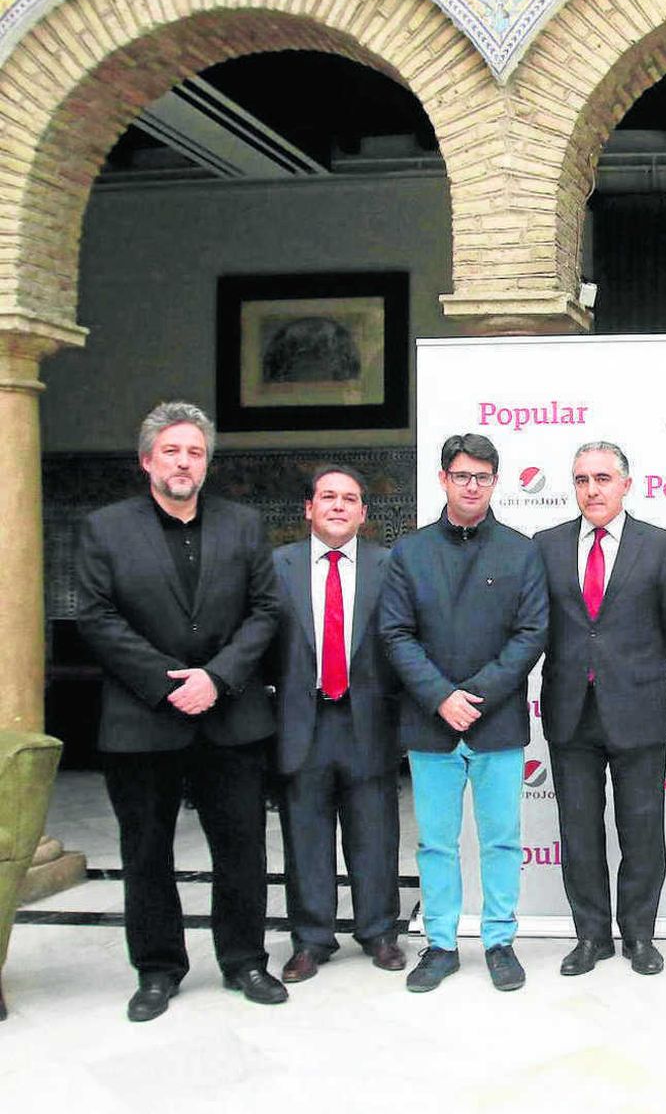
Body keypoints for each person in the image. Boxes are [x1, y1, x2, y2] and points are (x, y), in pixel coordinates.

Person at [75, 401, 285, 1021]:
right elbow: (96, 616)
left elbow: (266, 611)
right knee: (146, 851)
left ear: (207, 463)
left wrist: (216, 679)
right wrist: (167, 683)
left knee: (243, 846)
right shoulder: (105, 528)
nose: (183, 462)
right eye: (171, 450)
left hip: (230, 716)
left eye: (194, 452)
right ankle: (158, 969)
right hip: (143, 719)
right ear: (147, 461)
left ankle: (245, 959)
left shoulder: (242, 525)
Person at [379, 433, 548, 994]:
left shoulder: (523, 551)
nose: (471, 485)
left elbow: (531, 633)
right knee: (435, 842)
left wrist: (474, 695)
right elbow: (396, 633)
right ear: (443, 479)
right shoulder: (409, 552)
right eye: (461, 475)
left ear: (495, 481)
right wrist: (440, 697)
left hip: (496, 722)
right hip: (431, 724)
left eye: (482, 476)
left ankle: (500, 941)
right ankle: (442, 943)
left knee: (501, 839)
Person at [534, 442, 666, 978]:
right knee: (578, 830)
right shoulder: (546, 545)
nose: (592, 489)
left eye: (602, 478)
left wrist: (630, 671)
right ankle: (591, 937)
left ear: (626, 483)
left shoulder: (661, 545)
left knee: (643, 829)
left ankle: (640, 936)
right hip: (570, 708)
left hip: (638, 705)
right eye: (581, 479)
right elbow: (541, 623)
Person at [271, 465, 405, 983]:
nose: (338, 505)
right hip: (301, 721)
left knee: (374, 831)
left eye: (350, 499)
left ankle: (379, 931)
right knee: (305, 833)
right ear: (308, 507)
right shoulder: (277, 565)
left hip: (366, 718)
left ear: (363, 514)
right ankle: (310, 939)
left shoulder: (388, 566)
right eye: (328, 496)